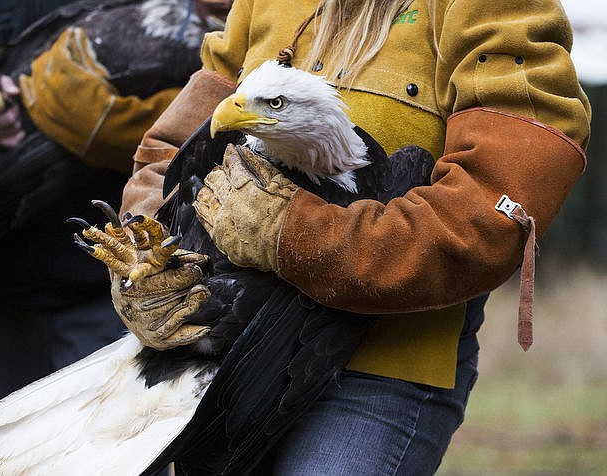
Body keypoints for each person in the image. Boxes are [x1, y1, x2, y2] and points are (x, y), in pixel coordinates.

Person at [106, 0, 591, 473]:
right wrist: (147, 256)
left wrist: (293, 232)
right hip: (227, 357)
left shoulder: (494, 9)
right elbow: (173, 154)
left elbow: (488, 214)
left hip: (381, 365)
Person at [0, 0, 229, 431]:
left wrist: (174, 136)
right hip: (9, 277)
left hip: (132, 287)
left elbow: (237, 58)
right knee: (12, 455)